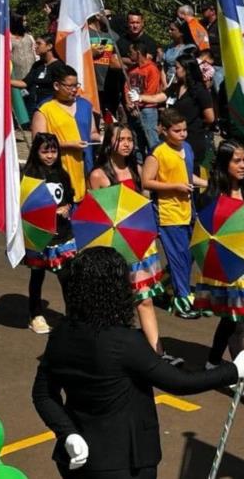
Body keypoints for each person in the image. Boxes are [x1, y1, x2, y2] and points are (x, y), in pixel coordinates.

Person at [32, 247, 244, 479]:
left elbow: (43, 395)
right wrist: (234, 370)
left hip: (76, 460)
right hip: (125, 463)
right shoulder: (126, 342)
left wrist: (67, 433)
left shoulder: (60, 335)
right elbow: (179, 382)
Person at [88, 124, 182, 366]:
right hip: (114, 247)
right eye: (122, 139)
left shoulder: (137, 170)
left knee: (145, 299)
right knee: (115, 304)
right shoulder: (99, 175)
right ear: (110, 142)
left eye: (130, 139)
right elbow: (98, 215)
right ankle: (110, 353)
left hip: (139, 244)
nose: (127, 144)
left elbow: (142, 206)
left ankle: (157, 353)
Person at [194, 140, 244, 409]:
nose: (242, 166)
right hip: (225, 269)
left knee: (232, 320)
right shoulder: (211, 196)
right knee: (237, 324)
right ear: (224, 164)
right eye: (236, 161)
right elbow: (206, 232)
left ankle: (213, 362)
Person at [142, 109, 208, 318]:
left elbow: (189, 177)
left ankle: (166, 284)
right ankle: (182, 300)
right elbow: (147, 182)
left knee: (190, 255)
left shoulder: (187, 149)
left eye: (184, 130)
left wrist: (207, 183)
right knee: (179, 257)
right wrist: (175, 187)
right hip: (167, 214)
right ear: (164, 130)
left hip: (188, 211)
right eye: (177, 130)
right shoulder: (157, 153)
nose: (182, 134)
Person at [22, 133, 76, 334]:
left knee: (67, 276)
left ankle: (72, 315)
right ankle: (35, 314)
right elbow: (26, 206)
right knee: (37, 276)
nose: (50, 155)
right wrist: (50, 212)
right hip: (39, 236)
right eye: (45, 151)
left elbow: (69, 196)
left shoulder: (62, 174)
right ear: (36, 152)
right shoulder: (30, 176)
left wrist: (67, 207)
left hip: (62, 234)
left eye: (53, 151)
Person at [31, 64, 102, 204]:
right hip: (58, 171)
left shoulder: (85, 105)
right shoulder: (45, 109)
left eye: (76, 85)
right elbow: (38, 144)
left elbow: (92, 132)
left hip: (85, 168)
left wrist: (102, 138)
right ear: (57, 85)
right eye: (70, 86)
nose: (75, 90)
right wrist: (69, 145)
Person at [142, 54, 215, 172]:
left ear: (186, 69)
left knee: (189, 172)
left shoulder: (200, 91)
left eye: (177, 67)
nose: (175, 70)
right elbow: (160, 97)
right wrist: (140, 97)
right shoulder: (176, 87)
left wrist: (192, 122)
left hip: (193, 138)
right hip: (175, 138)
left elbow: (210, 117)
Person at [125, 41, 163, 159]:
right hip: (133, 110)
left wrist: (138, 104)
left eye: (130, 52)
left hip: (148, 111)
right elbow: (127, 87)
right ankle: (140, 165)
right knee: (137, 142)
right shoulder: (132, 69)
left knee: (151, 140)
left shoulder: (152, 69)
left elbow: (151, 91)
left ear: (138, 53)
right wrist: (129, 103)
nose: (128, 54)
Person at [11, 33, 62, 116]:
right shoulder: (37, 65)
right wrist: (4, 80)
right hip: (34, 109)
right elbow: (25, 83)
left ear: (49, 46)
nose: (35, 46)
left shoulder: (59, 67)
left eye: (39, 43)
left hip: (49, 111)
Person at [88, 15, 122, 118]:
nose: (110, 18)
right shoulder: (84, 33)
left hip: (109, 85)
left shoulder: (113, 35)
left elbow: (119, 57)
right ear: (98, 15)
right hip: (91, 84)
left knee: (109, 118)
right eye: (107, 16)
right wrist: (90, 53)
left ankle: (109, 133)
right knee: (93, 116)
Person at [161, 19, 196, 86]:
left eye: (172, 30)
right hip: (168, 84)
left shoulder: (189, 48)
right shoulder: (168, 47)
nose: (169, 31)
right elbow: (163, 68)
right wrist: (165, 85)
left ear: (181, 33)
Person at [200, 3, 223, 92]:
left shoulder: (220, 25)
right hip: (205, 64)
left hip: (218, 64)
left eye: (205, 10)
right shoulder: (203, 24)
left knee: (218, 90)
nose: (202, 12)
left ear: (213, 11)